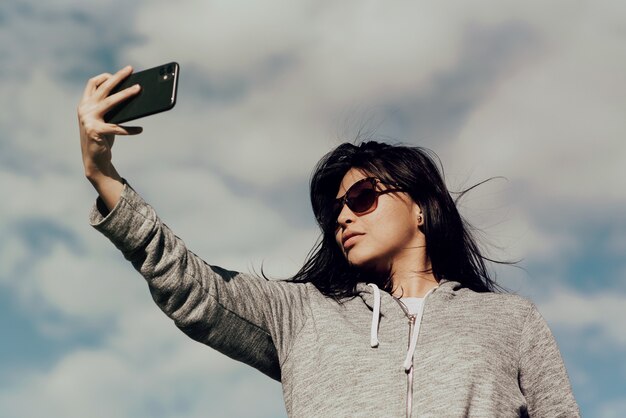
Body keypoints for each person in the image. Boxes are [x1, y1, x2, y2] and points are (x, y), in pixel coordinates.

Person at [78, 66, 581, 417]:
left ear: (422, 207)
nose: (342, 216)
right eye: (334, 209)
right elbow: (195, 291)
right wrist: (103, 175)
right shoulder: (301, 314)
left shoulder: (510, 322)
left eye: (362, 197)